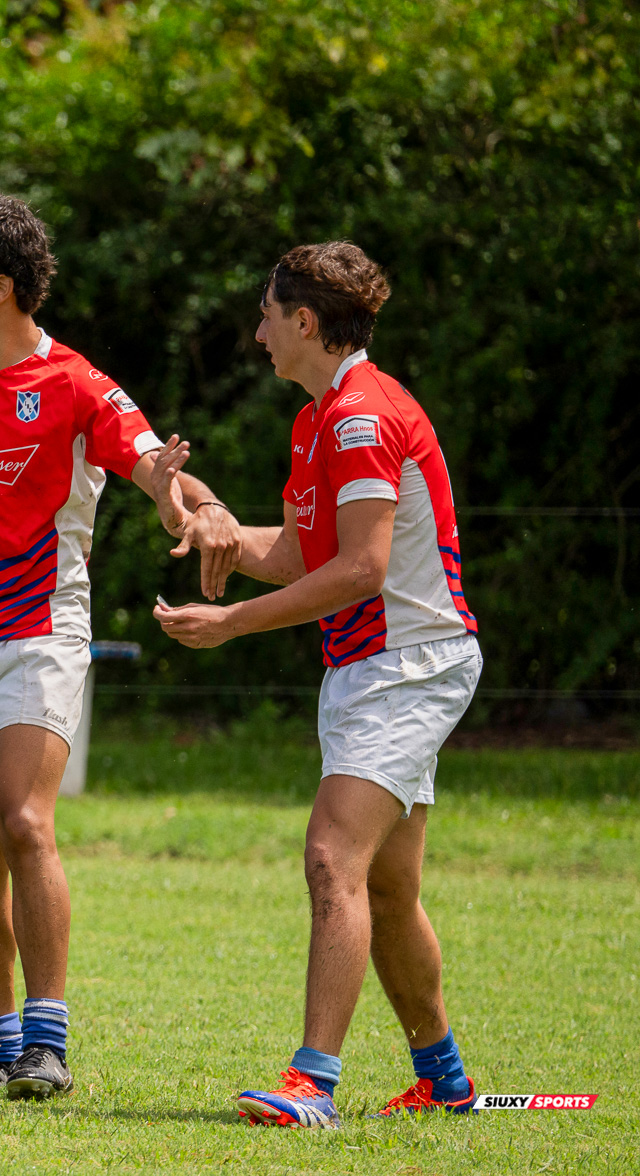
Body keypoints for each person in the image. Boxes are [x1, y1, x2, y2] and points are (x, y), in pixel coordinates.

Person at [0, 195, 237, 1097]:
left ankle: (46, 1043)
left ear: (2, 287)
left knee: (27, 824)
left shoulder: (76, 380)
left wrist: (176, 497)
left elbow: (149, 458)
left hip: (40, 628)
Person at [153, 241, 483, 1127]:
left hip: (409, 666)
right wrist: (204, 515)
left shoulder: (359, 418)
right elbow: (304, 554)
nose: (257, 331)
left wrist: (229, 624)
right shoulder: (319, 419)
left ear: (304, 322)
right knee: (386, 887)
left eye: (267, 314)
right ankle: (445, 1082)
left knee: (332, 857)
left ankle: (312, 1085)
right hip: (376, 668)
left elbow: (363, 570)